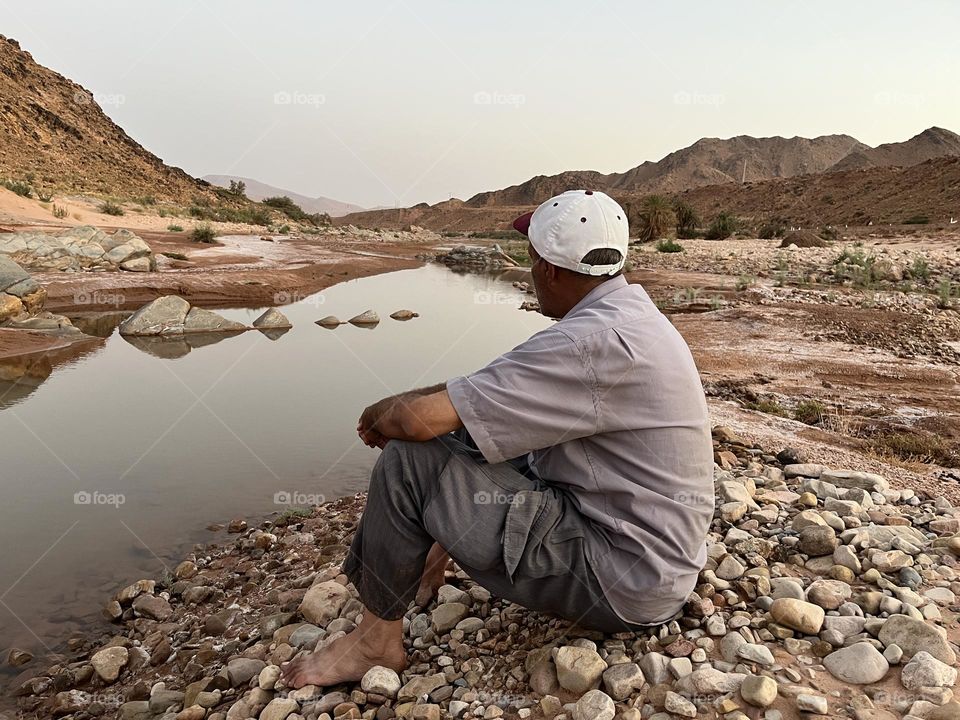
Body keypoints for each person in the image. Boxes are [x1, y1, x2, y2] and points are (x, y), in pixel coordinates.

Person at [281, 189, 713, 688]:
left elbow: (418, 422)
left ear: (548, 270)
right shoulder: (628, 316)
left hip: (621, 580)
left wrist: (381, 412)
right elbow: (480, 401)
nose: (527, 275)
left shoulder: (584, 343)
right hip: (654, 564)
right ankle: (426, 561)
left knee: (409, 459)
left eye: (528, 262)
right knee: (478, 436)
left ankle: (375, 640)